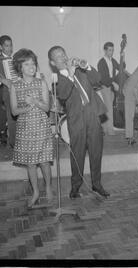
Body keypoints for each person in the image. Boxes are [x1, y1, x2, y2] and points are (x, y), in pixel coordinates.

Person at [48, 45, 109, 199]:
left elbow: (97, 80)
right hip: (76, 119)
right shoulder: (58, 79)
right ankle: (75, 186)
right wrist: (70, 74)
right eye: (58, 56)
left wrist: (86, 65)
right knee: (77, 153)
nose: (63, 57)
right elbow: (63, 94)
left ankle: (97, 184)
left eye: (63, 53)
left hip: (92, 115)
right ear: (53, 63)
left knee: (96, 152)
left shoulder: (82, 71)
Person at [9, 48, 54, 207]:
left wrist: (35, 102)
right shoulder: (15, 86)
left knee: (44, 161)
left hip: (41, 126)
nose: (32, 67)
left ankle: (48, 187)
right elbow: (14, 111)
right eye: (27, 64)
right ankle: (35, 191)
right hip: (25, 128)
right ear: (20, 67)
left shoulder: (41, 82)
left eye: (33, 63)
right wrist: (28, 108)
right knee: (31, 163)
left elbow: (47, 108)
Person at [97, 42, 124, 135]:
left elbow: (121, 67)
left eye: (112, 50)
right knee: (108, 108)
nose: (111, 52)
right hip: (105, 86)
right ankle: (110, 131)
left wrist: (122, 57)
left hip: (111, 87)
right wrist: (113, 83)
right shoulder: (101, 62)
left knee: (107, 108)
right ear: (105, 50)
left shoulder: (112, 60)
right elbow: (103, 78)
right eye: (109, 50)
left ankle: (105, 129)